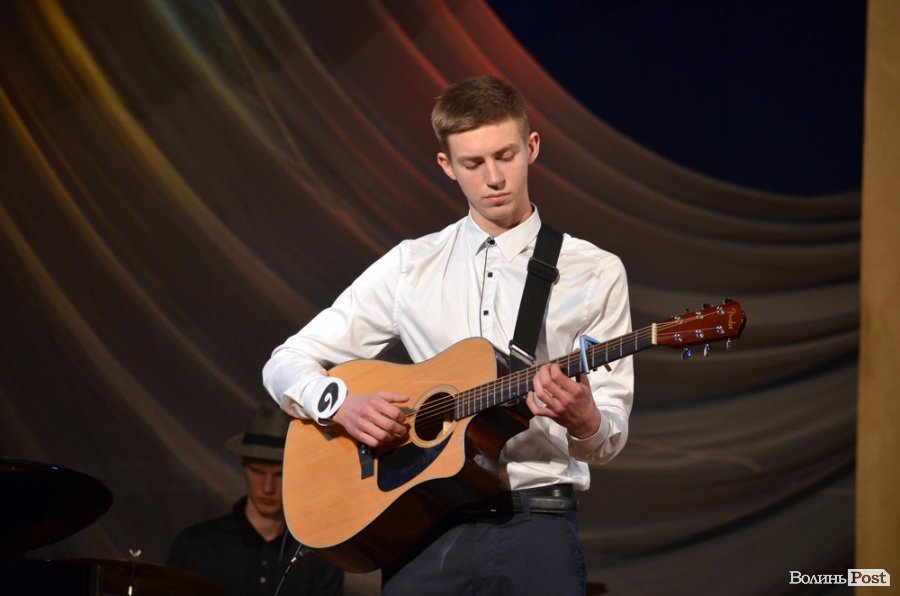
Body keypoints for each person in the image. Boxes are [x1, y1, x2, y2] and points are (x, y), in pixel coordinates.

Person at [262, 75, 633, 595]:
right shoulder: (411, 266)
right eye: (473, 163)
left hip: (536, 525)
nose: (494, 178)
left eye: (505, 156)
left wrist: (585, 418)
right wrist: (340, 404)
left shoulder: (594, 272)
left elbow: (607, 435)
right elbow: (285, 361)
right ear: (446, 166)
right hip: (424, 525)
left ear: (532, 147)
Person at [166, 406, 344, 596]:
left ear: (297, 474)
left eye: (279, 474)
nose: (267, 487)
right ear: (244, 466)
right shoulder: (196, 546)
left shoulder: (319, 557)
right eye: (258, 471)